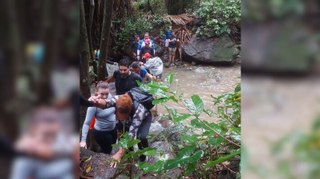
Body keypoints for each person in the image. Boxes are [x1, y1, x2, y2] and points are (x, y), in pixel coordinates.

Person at [89, 92, 153, 166]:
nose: (120, 118)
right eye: (118, 115)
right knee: (122, 134)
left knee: (141, 136)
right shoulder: (118, 100)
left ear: (128, 112)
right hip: (128, 118)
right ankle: (129, 157)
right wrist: (95, 101)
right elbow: (106, 103)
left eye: (123, 117)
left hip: (144, 118)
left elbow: (131, 134)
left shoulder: (139, 112)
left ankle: (143, 156)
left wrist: (119, 154)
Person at [80, 81, 116, 154]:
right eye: (102, 94)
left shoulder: (110, 97)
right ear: (97, 92)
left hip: (113, 129)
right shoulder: (93, 104)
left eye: (107, 94)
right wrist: (83, 140)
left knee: (111, 146)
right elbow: (87, 123)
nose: (105, 96)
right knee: (107, 150)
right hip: (101, 132)